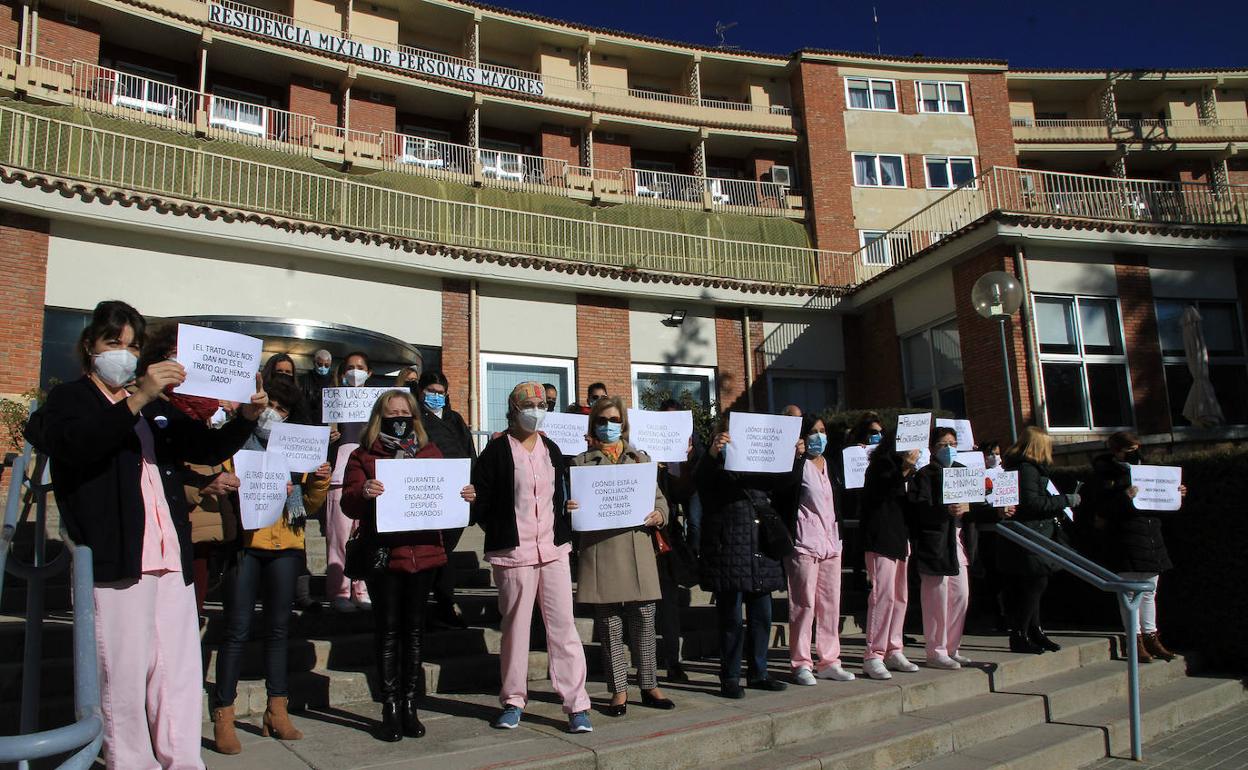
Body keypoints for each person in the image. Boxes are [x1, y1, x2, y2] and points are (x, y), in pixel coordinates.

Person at [24, 300, 267, 770]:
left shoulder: (154, 407)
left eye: (133, 345)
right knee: (123, 672)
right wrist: (135, 400)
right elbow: (76, 446)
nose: (124, 353)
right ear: (90, 346)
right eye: (113, 342)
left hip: (168, 552)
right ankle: (132, 761)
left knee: (177, 668)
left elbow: (203, 446)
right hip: (118, 554)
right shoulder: (72, 399)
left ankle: (183, 759)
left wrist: (246, 419)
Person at [341, 389, 476, 741]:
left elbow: (447, 496)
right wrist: (364, 492)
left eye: (405, 413)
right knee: (388, 632)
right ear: (379, 417)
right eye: (392, 414)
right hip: (384, 556)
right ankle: (390, 706)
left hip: (424, 554)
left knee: (414, 632)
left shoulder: (431, 452)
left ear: (414, 418)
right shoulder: (363, 454)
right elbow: (348, 503)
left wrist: (464, 495)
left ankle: (410, 704)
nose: (399, 419)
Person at [212, 376, 332, 754]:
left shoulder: (296, 451)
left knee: (279, 630)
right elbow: (221, 490)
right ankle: (224, 715)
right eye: (270, 406)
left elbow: (308, 506)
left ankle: (276, 710)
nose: (274, 414)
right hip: (246, 545)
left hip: (286, 544)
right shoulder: (235, 442)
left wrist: (318, 482)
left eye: (282, 409)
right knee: (237, 629)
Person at [471, 381, 593, 733]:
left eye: (541, 405)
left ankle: (576, 704)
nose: (536, 411)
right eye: (529, 405)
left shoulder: (551, 449)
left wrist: (570, 509)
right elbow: (482, 503)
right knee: (515, 629)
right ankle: (513, 700)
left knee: (564, 628)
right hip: (514, 553)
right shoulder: (495, 452)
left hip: (553, 550)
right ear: (513, 409)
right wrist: (479, 506)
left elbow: (559, 495)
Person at [569, 396, 674, 715]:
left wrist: (660, 514)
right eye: (602, 421)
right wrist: (570, 508)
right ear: (593, 425)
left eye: (614, 420)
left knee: (645, 620)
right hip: (601, 551)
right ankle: (618, 690)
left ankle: (650, 684)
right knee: (610, 625)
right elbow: (570, 504)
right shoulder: (580, 463)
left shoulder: (641, 459)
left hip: (637, 548)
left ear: (623, 424)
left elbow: (660, 499)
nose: (608, 426)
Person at [697, 412, 797, 698]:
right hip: (729, 550)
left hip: (759, 548)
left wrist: (794, 456)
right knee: (730, 618)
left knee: (762, 616)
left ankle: (758, 672)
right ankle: (730, 677)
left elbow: (786, 484)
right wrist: (713, 454)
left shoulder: (762, 463)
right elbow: (701, 483)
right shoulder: (716, 463)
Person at [909, 427, 1006, 670]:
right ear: (932, 449)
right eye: (943, 445)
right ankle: (936, 650)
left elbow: (978, 503)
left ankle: (952, 647)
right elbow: (919, 509)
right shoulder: (925, 475)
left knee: (960, 596)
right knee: (936, 600)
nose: (949, 449)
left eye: (952, 444)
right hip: (936, 545)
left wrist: (991, 510)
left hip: (960, 543)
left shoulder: (963, 471)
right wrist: (945, 509)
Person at [1091, 432, 1186, 663]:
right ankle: (1135, 639)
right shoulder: (1106, 475)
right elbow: (1100, 511)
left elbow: (1161, 503)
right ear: (1117, 451)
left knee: (1149, 592)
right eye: (1130, 450)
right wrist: (1125, 496)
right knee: (1129, 593)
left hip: (1150, 537)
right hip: (1126, 539)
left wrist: (1175, 494)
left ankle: (1151, 636)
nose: (1136, 454)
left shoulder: (1148, 470)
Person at [779, 414, 854, 685]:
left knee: (830, 604)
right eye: (813, 431)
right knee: (803, 604)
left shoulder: (830, 464)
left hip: (831, 541)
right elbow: (783, 493)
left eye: (822, 431)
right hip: (804, 543)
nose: (819, 436)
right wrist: (794, 459)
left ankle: (830, 660)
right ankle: (801, 662)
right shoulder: (796, 464)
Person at [998, 426, 1080, 654]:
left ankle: (1033, 630)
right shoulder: (1027, 469)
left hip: (1030, 534)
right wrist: (1065, 500)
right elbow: (1031, 503)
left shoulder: (1019, 467)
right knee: (1034, 584)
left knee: (1032, 584)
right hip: (1031, 534)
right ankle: (1021, 632)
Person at [415, 370, 477, 629]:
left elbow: (470, 452)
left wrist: (474, 485)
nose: (436, 396)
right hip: (428, 492)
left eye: (441, 392)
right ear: (421, 391)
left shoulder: (455, 419)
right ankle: (430, 605)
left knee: (445, 551)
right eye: (431, 391)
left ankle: (444, 603)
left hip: (457, 493)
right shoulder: (415, 418)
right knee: (431, 551)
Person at [859, 429, 920, 680]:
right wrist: (903, 469)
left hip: (900, 538)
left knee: (900, 597)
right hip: (880, 538)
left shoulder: (913, 470)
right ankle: (873, 654)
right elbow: (880, 493)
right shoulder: (880, 466)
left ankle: (894, 649)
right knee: (882, 596)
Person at [654, 397, 701, 682]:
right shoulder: (640, 451)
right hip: (636, 539)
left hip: (666, 539)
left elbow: (683, 493)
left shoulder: (680, 456)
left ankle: (673, 661)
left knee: (669, 601)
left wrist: (684, 462)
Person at [326, 351, 374, 612]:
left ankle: (362, 589)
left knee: (365, 535)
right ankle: (339, 592)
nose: (355, 372)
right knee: (339, 537)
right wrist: (328, 435)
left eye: (360, 367)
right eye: (350, 367)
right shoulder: (332, 400)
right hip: (338, 476)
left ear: (369, 373)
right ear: (343, 373)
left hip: (368, 477)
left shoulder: (377, 403)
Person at [300, 348, 334, 423]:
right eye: (320, 364)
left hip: (327, 422)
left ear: (330, 364)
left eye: (327, 365)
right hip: (306, 421)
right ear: (314, 363)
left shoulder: (334, 381)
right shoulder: (303, 380)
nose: (323, 368)